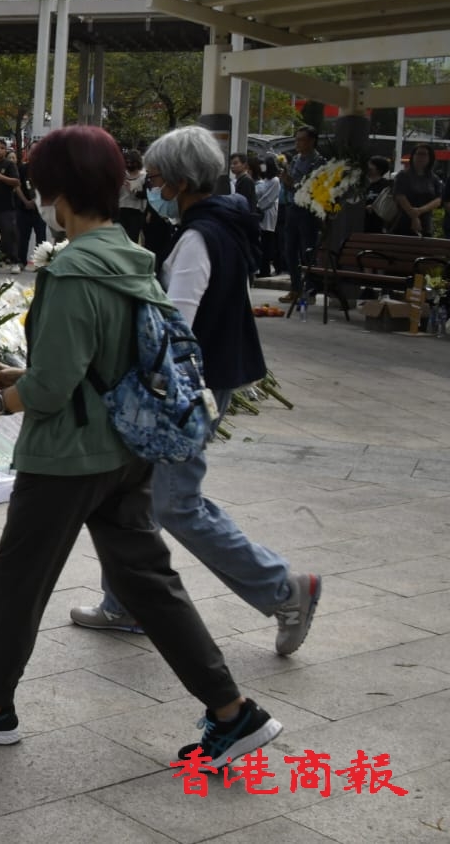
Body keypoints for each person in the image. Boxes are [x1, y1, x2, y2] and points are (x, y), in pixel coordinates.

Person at [0, 124, 282, 771]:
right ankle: (233, 712)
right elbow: (104, 356)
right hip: (127, 452)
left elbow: (53, 388)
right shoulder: (132, 257)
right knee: (148, 582)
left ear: (58, 192)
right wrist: (28, 375)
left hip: (67, 456)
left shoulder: (70, 270)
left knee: (17, 579)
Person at [70, 125, 320, 657]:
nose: (153, 188)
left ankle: (282, 589)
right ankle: (125, 601)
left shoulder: (198, 238)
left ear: (182, 182)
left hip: (186, 389)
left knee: (176, 503)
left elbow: (174, 326)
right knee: (134, 499)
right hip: (212, 376)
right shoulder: (227, 223)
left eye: (158, 179)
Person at [280, 126, 324, 303]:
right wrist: (286, 181)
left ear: (312, 141)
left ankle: (310, 290)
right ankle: (295, 288)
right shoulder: (295, 159)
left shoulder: (319, 162)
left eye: (301, 140)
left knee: (307, 250)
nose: (297, 143)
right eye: (296, 139)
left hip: (308, 209)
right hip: (292, 207)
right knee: (289, 250)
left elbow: (313, 188)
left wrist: (292, 183)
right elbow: (290, 183)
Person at [392, 143, 442, 236]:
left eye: (424, 154)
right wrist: (414, 217)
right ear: (413, 156)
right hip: (402, 221)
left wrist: (419, 211)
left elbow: (438, 200)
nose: (420, 157)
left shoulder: (434, 178)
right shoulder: (403, 175)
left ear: (430, 158)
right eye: (418, 153)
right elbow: (400, 196)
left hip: (426, 223)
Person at [13, 144, 47, 270]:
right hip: (24, 208)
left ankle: (41, 262)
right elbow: (17, 186)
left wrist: (37, 201)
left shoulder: (46, 170)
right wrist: (26, 201)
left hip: (41, 210)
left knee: (41, 237)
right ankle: (21, 262)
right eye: (32, 150)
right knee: (22, 237)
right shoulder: (22, 168)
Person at [255, 156, 282, 276]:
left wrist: (258, 206)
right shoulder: (265, 179)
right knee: (262, 242)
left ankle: (265, 270)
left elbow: (269, 198)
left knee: (267, 242)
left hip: (268, 213)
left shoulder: (275, 180)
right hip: (261, 211)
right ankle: (261, 268)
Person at [118, 149, 146, 240]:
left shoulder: (144, 177)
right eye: (127, 162)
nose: (129, 165)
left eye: (132, 162)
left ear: (137, 163)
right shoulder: (121, 175)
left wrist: (133, 191)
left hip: (136, 212)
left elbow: (146, 195)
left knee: (132, 239)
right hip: (121, 210)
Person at [362, 155, 393, 235]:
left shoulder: (386, 185)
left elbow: (388, 205)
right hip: (361, 224)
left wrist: (375, 207)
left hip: (377, 226)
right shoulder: (362, 184)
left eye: (371, 165)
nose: (367, 167)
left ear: (379, 169)